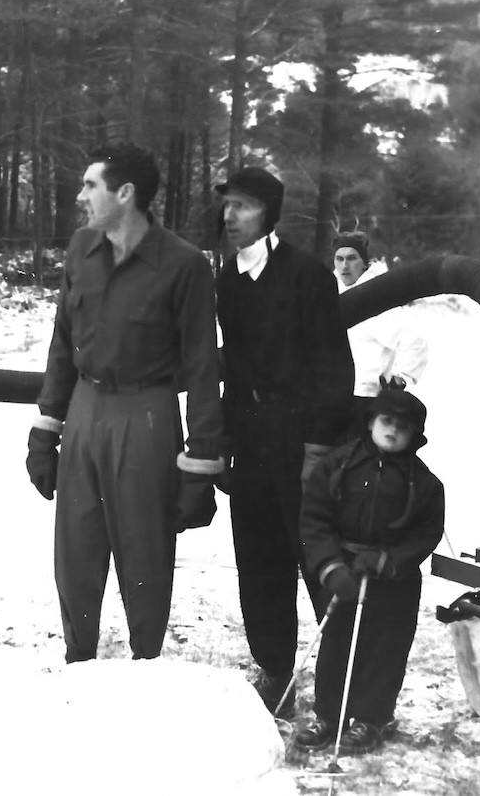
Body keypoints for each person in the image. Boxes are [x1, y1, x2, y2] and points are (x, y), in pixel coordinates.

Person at [27, 143, 225, 664]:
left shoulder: (183, 266)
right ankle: (78, 659)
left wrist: (201, 464)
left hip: (148, 414)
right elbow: (62, 342)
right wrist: (47, 429)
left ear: (125, 193)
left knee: (144, 551)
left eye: (90, 185)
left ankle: (145, 667)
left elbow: (204, 368)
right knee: (75, 549)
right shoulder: (81, 249)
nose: (81, 195)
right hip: (86, 407)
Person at [214, 166, 354, 716]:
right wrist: (225, 441)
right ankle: (275, 673)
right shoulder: (227, 278)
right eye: (227, 206)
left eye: (243, 206)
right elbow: (233, 369)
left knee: (317, 559)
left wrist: (318, 449)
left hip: (302, 445)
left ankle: (339, 686)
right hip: (250, 446)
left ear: (269, 212)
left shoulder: (308, 277)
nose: (230, 217)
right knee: (258, 562)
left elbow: (334, 372)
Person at [295, 388, 445, 754]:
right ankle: (329, 715)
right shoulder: (338, 465)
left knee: (384, 648)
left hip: (393, 580)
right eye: (387, 421)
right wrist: (330, 566)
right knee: (336, 643)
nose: (393, 431)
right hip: (344, 570)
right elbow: (315, 518)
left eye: (403, 427)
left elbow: (426, 532)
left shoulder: (424, 483)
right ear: (371, 423)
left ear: (415, 436)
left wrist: (388, 561)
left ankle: (371, 718)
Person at [333, 231, 428, 432]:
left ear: (364, 262)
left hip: (365, 400)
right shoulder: (332, 292)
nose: (344, 265)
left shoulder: (374, 299)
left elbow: (414, 342)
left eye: (352, 258)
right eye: (339, 259)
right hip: (336, 396)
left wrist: (399, 379)